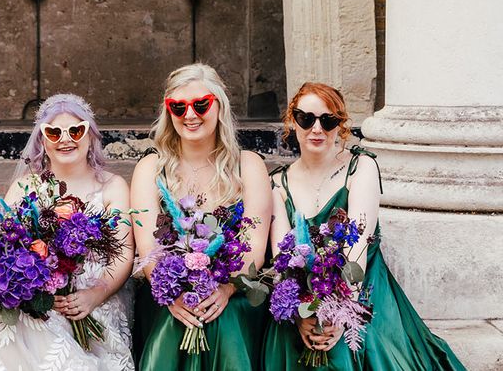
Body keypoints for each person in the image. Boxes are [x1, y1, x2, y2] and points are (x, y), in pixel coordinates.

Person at [263, 81, 467, 370]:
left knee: (343, 354)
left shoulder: (361, 168)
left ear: (341, 125)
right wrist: (300, 315)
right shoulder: (277, 183)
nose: (317, 129)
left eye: (328, 120)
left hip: (362, 288)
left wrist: (342, 313)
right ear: (292, 121)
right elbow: (283, 261)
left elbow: (356, 248)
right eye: (306, 119)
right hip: (303, 299)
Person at [0, 93, 135, 371]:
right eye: (54, 132)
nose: (65, 139)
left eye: (76, 130)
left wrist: (95, 294)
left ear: (90, 136)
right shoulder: (24, 187)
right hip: (36, 297)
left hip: (92, 298)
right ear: (43, 141)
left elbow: (124, 250)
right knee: (3, 324)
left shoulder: (112, 186)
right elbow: (1, 243)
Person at [131, 63, 272, 370]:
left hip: (232, 294)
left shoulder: (248, 165)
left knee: (224, 320)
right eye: (178, 107)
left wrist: (227, 288)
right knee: (176, 322)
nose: (190, 115)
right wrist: (172, 296)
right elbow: (147, 251)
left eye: (200, 105)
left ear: (218, 106)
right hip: (168, 297)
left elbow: (255, 245)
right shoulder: (151, 169)